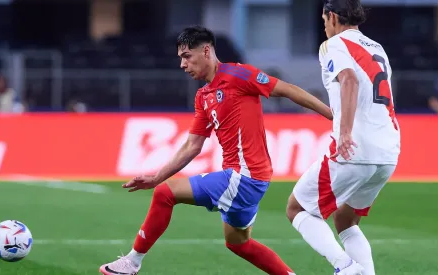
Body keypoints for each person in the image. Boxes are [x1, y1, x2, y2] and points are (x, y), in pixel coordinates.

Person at [99, 25, 332, 275]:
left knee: (165, 193)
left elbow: (288, 90)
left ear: (206, 51)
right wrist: (157, 175)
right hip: (249, 179)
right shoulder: (203, 96)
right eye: (180, 58)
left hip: (244, 177)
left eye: (187, 56)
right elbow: (193, 145)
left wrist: (332, 115)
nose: (182, 64)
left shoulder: (238, 74)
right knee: (238, 244)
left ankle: (132, 262)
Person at [285, 1, 400, 275]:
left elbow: (349, 79)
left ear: (332, 16)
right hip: (388, 151)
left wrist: (345, 132)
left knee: (297, 208)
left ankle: (345, 268)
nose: (324, 26)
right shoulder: (376, 47)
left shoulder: (334, 44)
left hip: (354, 149)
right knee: (346, 220)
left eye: (324, 20)